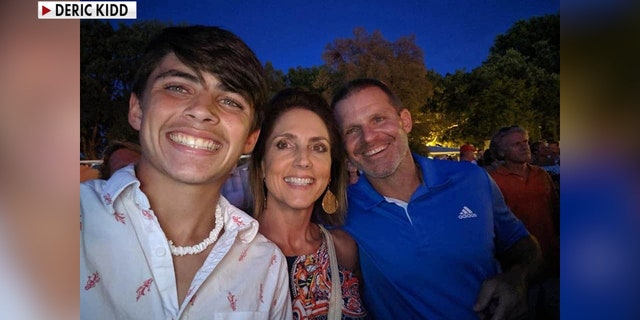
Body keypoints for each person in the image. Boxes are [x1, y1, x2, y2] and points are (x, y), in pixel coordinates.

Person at [80, 26, 292, 319]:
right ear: (137, 109)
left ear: (250, 139)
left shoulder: (266, 265)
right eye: (178, 87)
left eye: (230, 100)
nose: (202, 109)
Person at [331, 78, 542, 319]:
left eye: (378, 119)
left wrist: (516, 278)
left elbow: (522, 243)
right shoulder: (340, 210)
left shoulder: (471, 179)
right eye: (351, 130)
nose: (368, 137)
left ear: (405, 121)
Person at [249, 88, 367, 319]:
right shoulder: (224, 252)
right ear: (262, 164)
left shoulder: (344, 249)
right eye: (284, 144)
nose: (303, 160)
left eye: (318, 147)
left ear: (331, 170)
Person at [488, 126, 560, 319]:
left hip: (551, 261)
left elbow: (555, 210)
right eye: (516, 144)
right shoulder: (492, 180)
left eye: (526, 142)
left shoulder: (541, 175)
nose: (524, 147)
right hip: (517, 268)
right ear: (501, 151)